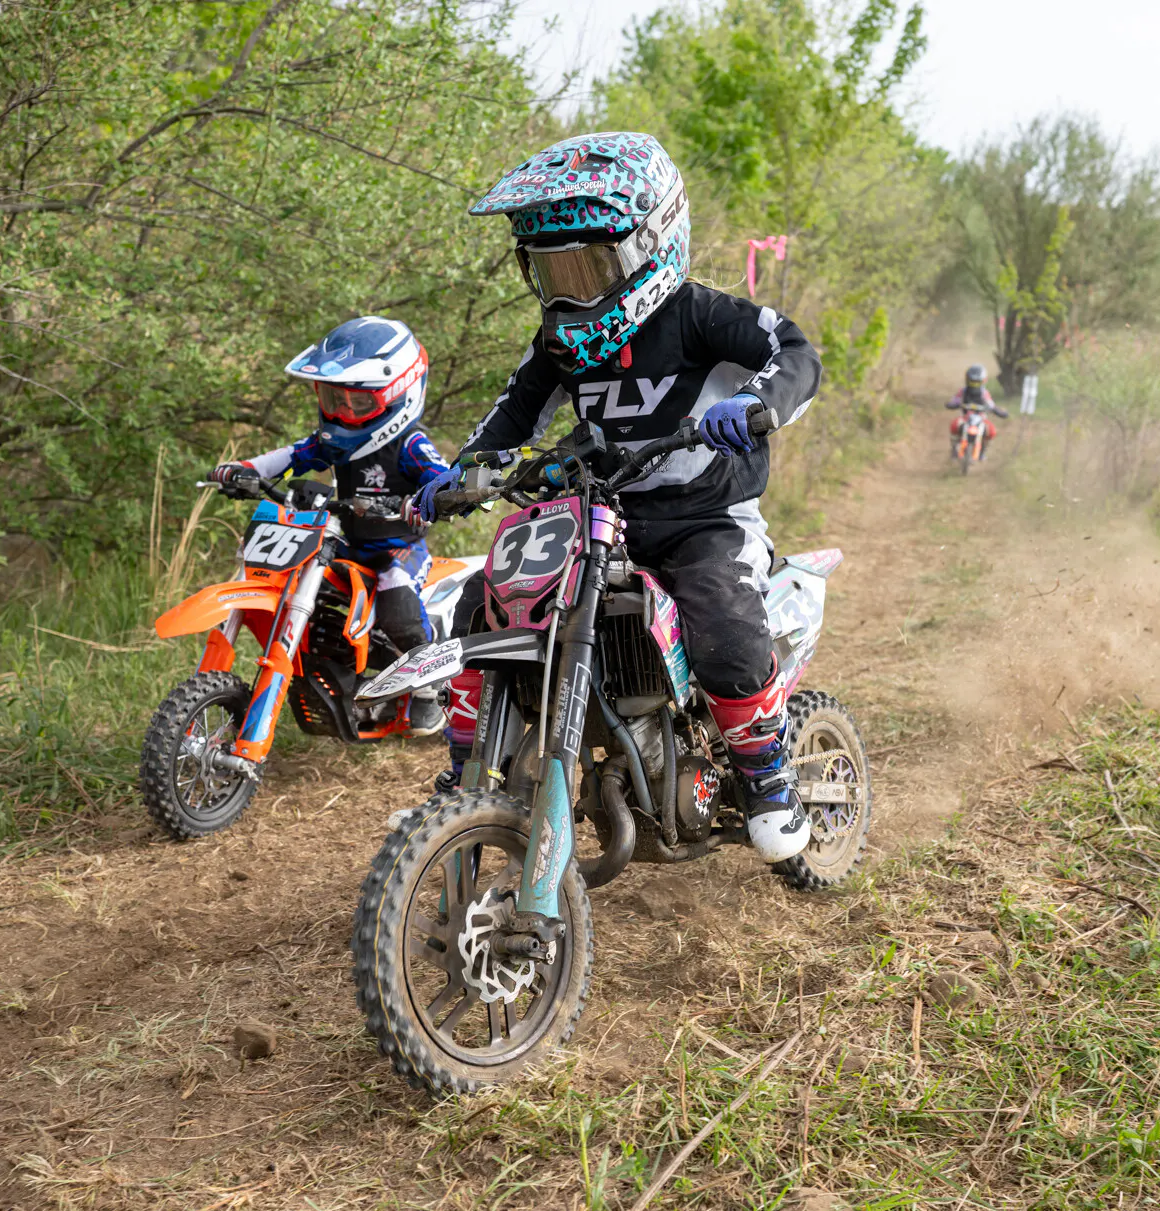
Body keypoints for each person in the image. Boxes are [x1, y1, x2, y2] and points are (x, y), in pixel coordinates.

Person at [414, 131, 823, 863]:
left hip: (705, 519)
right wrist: (462, 473)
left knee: (724, 624)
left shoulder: (698, 314)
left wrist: (757, 403)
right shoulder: (558, 343)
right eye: (551, 269)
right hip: (599, 520)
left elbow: (793, 351)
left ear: (650, 243)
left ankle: (766, 775)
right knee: (484, 600)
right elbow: (511, 417)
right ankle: (468, 774)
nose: (570, 289)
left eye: (588, 266)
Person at [209, 316, 451, 735]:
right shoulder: (335, 440)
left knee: (398, 605)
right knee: (295, 581)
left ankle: (432, 688)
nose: (344, 412)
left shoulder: (410, 444)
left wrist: (431, 498)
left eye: (358, 403)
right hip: (345, 541)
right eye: (335, 399)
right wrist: (245, 469)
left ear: (399, 395)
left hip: (396, 547)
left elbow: (444, 478)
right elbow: (293, 455)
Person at [948, 363, 1008, 445]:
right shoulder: (963, 391)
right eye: (972, 382)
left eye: (977, 382)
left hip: (981, 419)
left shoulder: (984, 393)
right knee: (954, 426)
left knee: (992, 431)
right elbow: (956, 400)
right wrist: (952, 404)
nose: (975, 384)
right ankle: (955, 445)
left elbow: (991, 404)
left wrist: (998, 411)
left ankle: (985, 446)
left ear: (983, 381)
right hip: (965, 418)